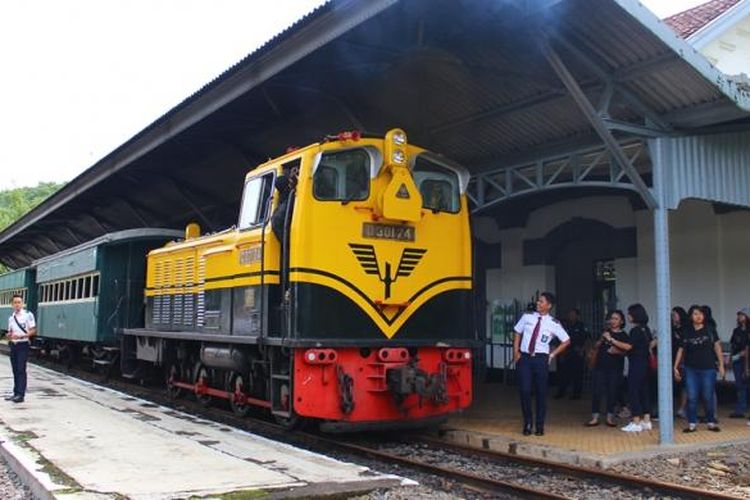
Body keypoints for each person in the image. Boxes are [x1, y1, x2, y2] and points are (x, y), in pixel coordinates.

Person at [513, 292, 571, 436]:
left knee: (541, 393)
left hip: (541, 359)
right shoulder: (527, 317)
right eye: (538, 301)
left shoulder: (553, 323)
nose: (538, 304)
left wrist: (552, 355)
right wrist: (516, 352)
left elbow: (566, 341)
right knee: (525, 390)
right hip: (525, 357)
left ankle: (539, 425)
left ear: (549, 306)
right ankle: (527, 422)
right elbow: (517, 332)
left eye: (541, 302)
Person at [674, 305, 725, 433]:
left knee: (708, 395)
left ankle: (711, 422)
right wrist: (675, 366)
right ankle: (692, 423)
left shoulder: (710, 329)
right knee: (692, 396)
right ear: (691, 316)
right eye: (695, 314)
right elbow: (681, 349)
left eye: (701, 314)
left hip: (708, 368)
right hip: (691, 369)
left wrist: (721, 364)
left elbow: (717, 347)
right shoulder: (687, 331)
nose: (698, 316)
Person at [586, 310, 628, 427]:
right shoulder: (605, 332)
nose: (613, 321)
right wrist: (601, 340)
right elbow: (595, 346)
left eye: (616, 319)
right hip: (600, 366)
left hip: (615, 368)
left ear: (621, 321)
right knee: (597, 391)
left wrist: (617, 351)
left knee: (612, 392)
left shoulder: (623, 335)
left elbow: (627, 352)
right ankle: (595, 417)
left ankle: (610, 417)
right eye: (612, 318)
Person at [619, 304, 654, 433]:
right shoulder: (646, 329)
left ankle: (636, 421)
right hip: (646, 364)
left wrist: (612, 340)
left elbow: (629, 347)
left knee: (633, 391)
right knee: (644, 391)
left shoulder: (635, 330)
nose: (628, 316)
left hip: (636, 364)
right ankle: (647, 420)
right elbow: (650, 344)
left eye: (629, 313)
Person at [5, 294, 36, 403]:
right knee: (14, 369)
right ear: (12, 304)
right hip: (14, 345)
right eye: (15, 303)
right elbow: (10, 331)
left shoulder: (28, 315)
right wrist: (9, 335)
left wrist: (22, 336)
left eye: (19, 302)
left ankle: (21, 394)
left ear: (22, 303)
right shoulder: (11, 318)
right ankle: (15, 392)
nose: (17, 305)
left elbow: (33, 330)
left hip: (23, 344)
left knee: (20, 369)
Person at [556, 308, 588, 400]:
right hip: (566, 352)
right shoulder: (565, 325)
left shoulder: (581, 326)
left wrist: (582, 350)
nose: (571, 316)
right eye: (570, 314)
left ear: (577, 316)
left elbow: (587, 339)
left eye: (573, 314)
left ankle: (576, 394)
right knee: (563, 374)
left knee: (577, 374)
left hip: (577, 353)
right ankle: (561, 392)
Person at [729, 308, 750, 418]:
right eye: (739, 315)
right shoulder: (736, 331)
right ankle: (739, 409)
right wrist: (731, 358)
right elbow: (733, 345)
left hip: (747, 360)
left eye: (742, 315)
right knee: (739, 385)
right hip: (738, 360)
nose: (739, 317)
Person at [672, 306, 689, 419]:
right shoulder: (670, 328)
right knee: (674, 385)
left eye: (674, 315)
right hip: (671, 359)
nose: (672, 317)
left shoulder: (685, 329)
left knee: (684, 385)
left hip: (683, 360)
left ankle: (683, 408)